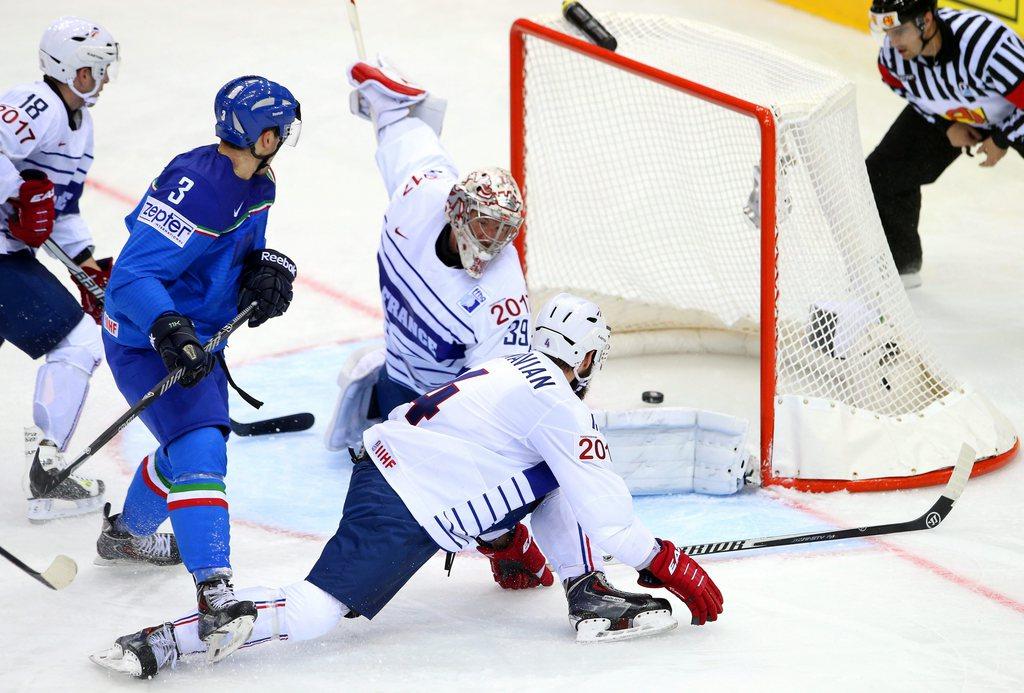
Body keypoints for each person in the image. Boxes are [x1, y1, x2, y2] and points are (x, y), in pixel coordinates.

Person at [91, 293, 724, 679]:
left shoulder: (507, 365)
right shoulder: (559, 403)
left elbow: (494, 460)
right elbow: (606, 513)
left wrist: (504, 540)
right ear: (585, 357)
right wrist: (669, 563)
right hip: (407, 501)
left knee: (555, 475)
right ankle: (162, 642)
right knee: (314, 611)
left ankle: (585, 591)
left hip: (393, 465)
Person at [94, 76, 301, 661]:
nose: (283, 137)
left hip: (197, 335)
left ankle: (128, 536)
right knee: (202, 446)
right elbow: (133, 277)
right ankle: (215, 592)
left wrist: (263, 273)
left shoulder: (257, 181)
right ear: (257, 132)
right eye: (277, 128)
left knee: (188, 447)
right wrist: (169, 330)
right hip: (144, 339)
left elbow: (239, 248)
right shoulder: (199, 189)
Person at [329, 60, 550, 590]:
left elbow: (495, 399)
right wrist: (378, 94)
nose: (491, 244)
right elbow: (402, 125)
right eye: (482, 226)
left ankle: (504, 539)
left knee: (476, 495)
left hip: (445, 405)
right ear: (454, 210)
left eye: (504, 233)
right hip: (398, 376)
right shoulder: (418, 194)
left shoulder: (502, 302)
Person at [0, 16, 120, 521]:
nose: (104, 80)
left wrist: (85, 262)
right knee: (78, 342)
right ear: (68, 68)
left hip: (12, 254)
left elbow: (60, 210)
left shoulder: (81, 125)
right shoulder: (37, 102)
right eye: (95, 69)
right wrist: (17, 191)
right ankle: (48, 474)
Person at [867, 0, 1024, 288]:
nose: (893, 42)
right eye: (887, 33)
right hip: (959, 114)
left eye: (900, 31)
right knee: (881, 174)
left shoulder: (987, 45)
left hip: (1015, 111)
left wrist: (1002, 138)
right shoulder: (892, 60)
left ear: (926, 20)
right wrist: (946, 125)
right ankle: (902, 264)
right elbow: (904, 88)